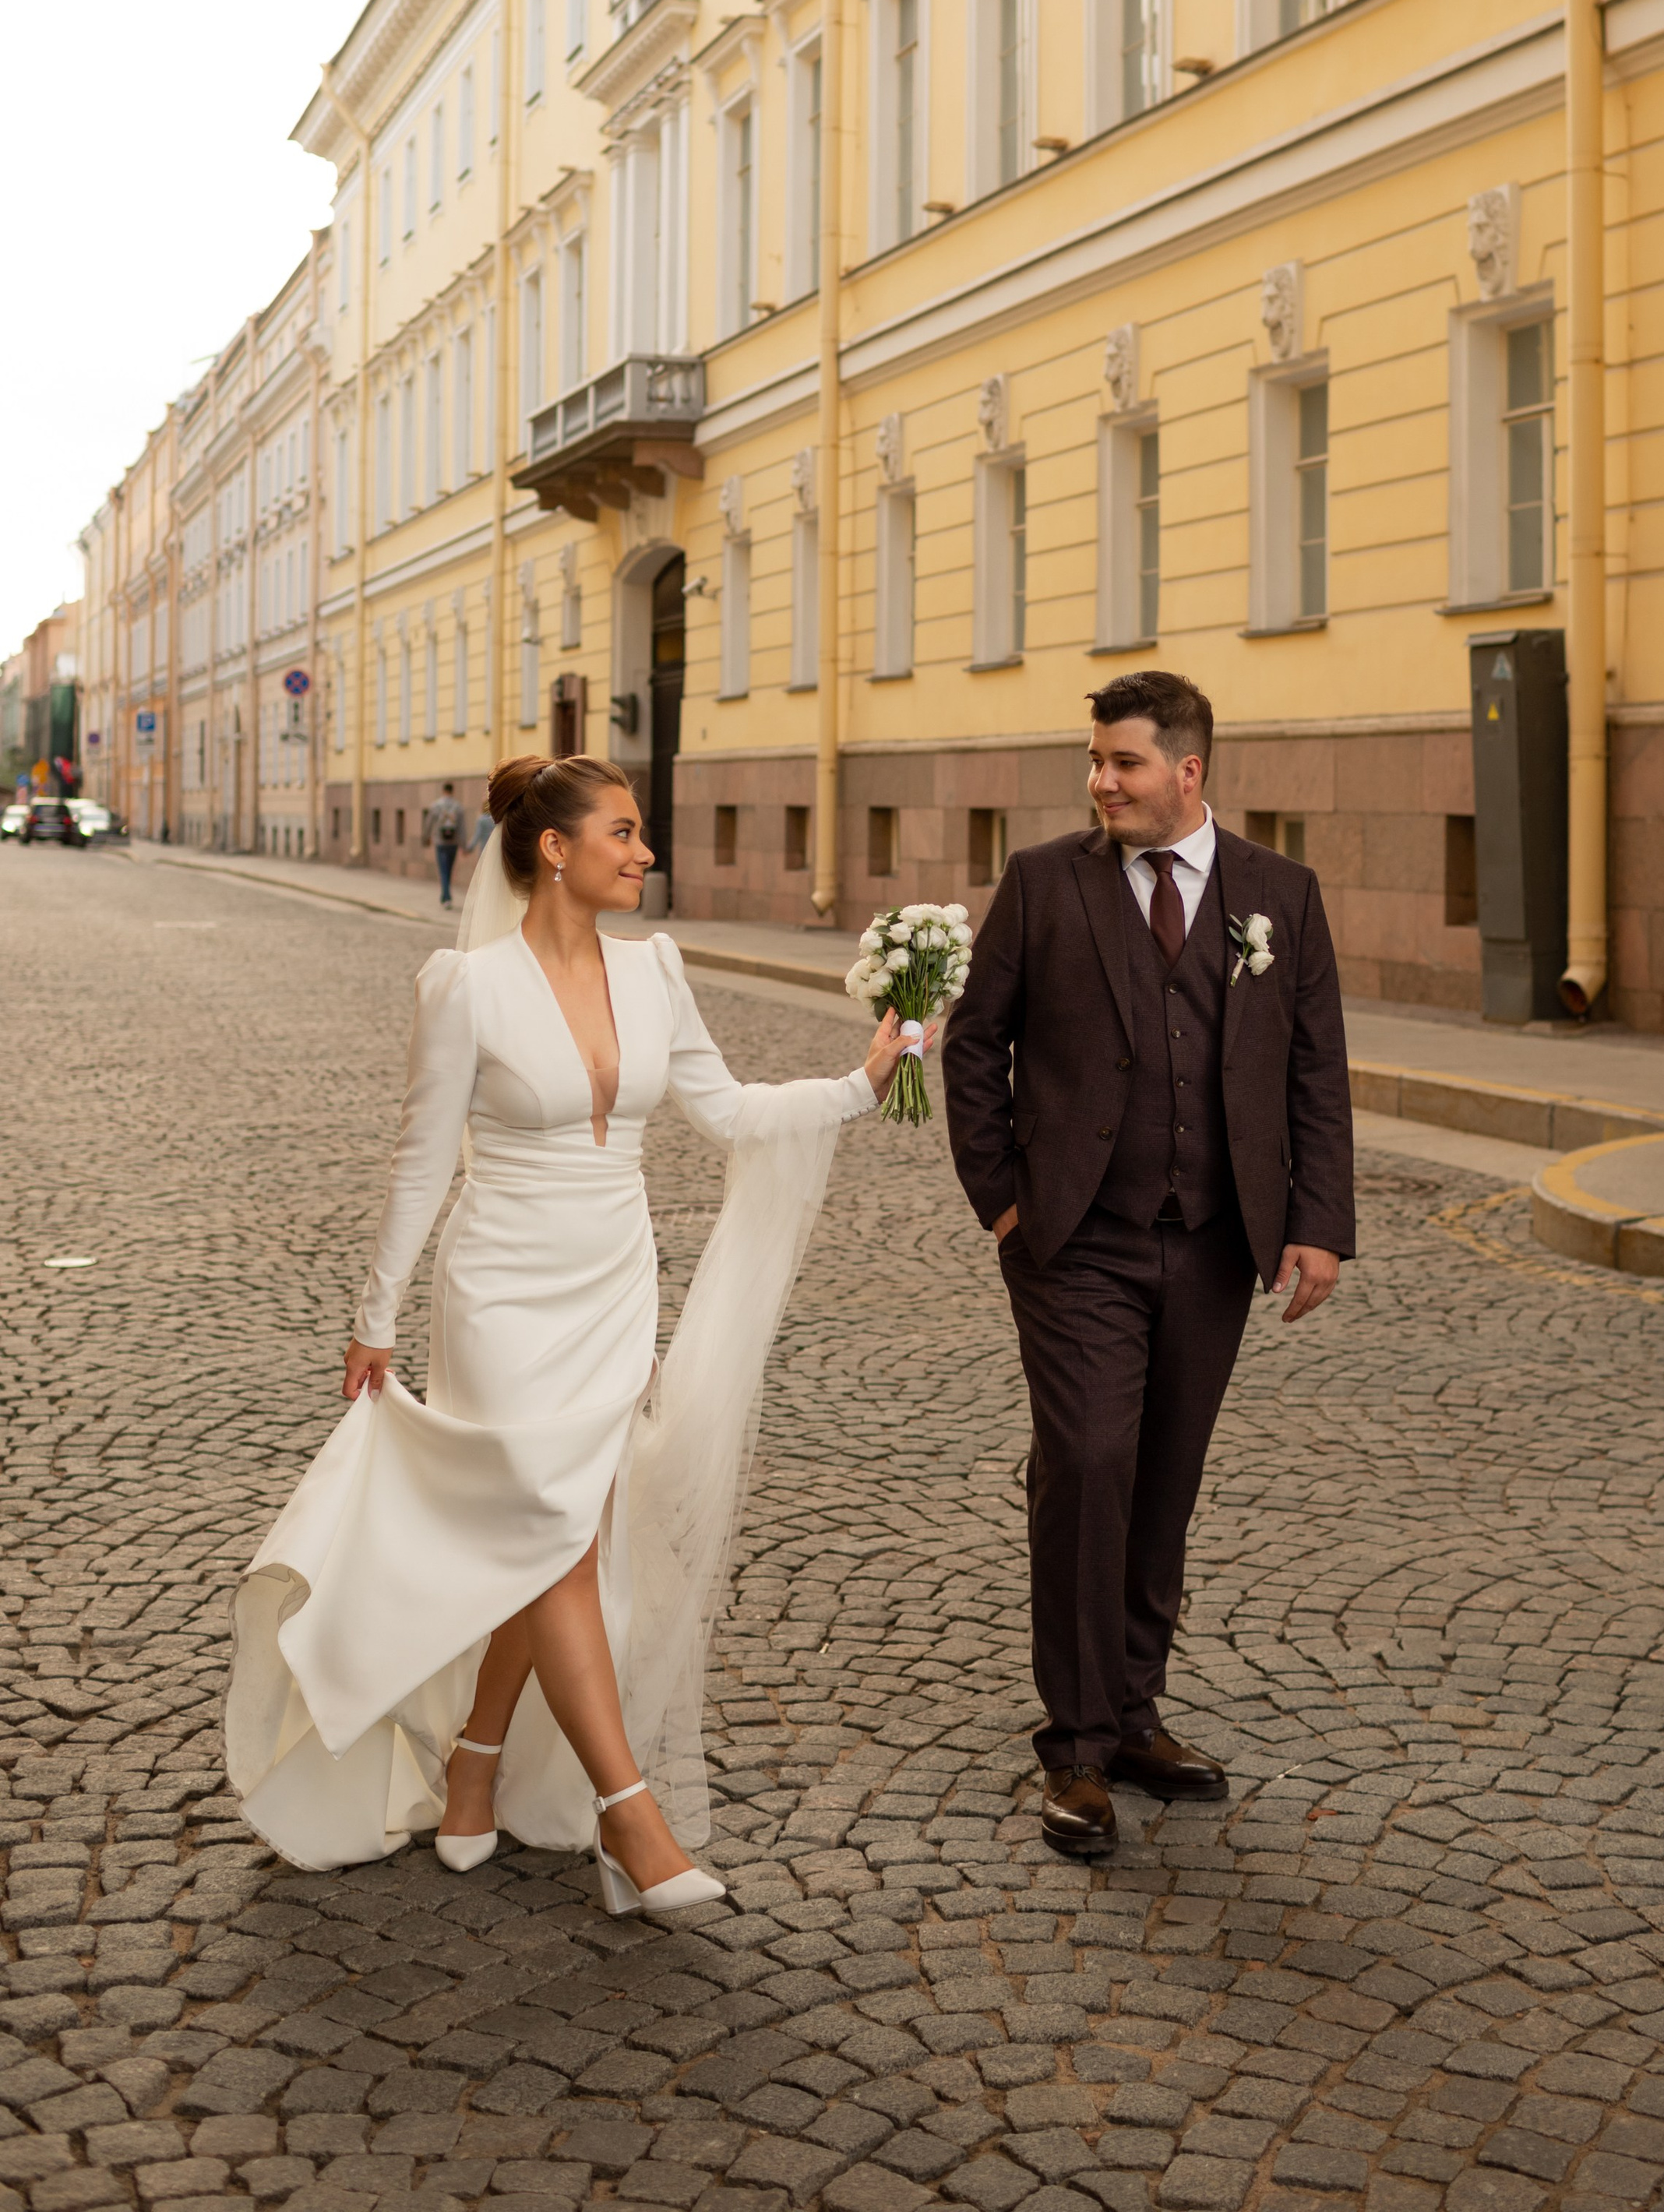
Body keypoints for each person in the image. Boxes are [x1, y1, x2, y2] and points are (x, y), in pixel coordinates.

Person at [227, 753, 925, 1909]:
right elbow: (418, 1161)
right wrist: (375, 1319)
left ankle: (476, 1761)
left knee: (551, 1534)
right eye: (625, 832)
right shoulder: (464, 988)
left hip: (612, 1281)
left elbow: (725, 1110)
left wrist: (862, 1081)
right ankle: (629, 1815)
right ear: (557, 849)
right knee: (551, 1533)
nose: (645, 854)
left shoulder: (656, 969)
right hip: (500, 1290)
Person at [943, 670, 1354, 1861]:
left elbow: (1315, 1067)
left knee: (1164, 1474)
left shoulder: (1282, 894)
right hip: (1075, 1240)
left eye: (1122, 763)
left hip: (1219, 1244)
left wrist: (1317, 1220)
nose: (1099, 783)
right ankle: (1073, 1747)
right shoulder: (1044, 883)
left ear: (1189, 771)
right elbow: (979, 1049)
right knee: (1088, 1458)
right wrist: (1005, 1206)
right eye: (1094, 762)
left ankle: (1132, 1711)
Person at [425, 783, 464, 907]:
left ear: (443, 791)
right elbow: (462, 828)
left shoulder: (436, 806)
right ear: (452, 791)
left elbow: (429, 822)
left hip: (440, 842)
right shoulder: (458, 807)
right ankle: (445, 896)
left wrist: (426, 837)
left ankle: (446, 898)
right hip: (453, 843)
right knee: (449, 869)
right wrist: (463, 845)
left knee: (443, 870)